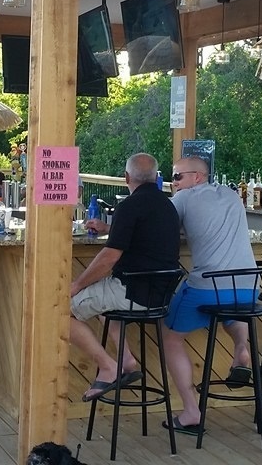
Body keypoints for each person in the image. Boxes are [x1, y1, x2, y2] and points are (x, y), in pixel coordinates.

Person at [70, 152, 180, 402]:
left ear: (126, 177)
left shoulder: (129, 206)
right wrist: (110, 228)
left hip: (132, 291)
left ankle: (108, 367)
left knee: (59, 311)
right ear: (156, 178)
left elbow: (109, 257)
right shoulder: (168, 206)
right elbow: (144, 235)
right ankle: (127, 360)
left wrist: (76, 285)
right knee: (100, 298)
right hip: (160, 295)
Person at [160, 156, 257, 435]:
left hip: (208, 286)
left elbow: (154, 230)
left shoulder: (183, 199)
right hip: (249, 287)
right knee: (230, 310)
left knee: (170, 337)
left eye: (177, 177)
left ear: (197, 177)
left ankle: (191, 411)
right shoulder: (230, 194)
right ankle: (241, 348)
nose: (173, 182)